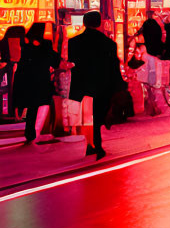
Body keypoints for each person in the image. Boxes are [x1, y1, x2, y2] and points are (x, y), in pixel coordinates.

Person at [67, 12, 123, 160]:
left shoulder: (73, 42)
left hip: (82, 84)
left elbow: (71, 64)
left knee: (86, 116)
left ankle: (90, 144)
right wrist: (119, 85)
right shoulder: (109, 44)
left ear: (84, 23)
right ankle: (95, 144)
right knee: (97, 115)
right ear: (99, 23)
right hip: (102, 84)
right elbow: (114, 67)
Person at [12, 22, 61, 145]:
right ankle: (34, 130)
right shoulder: (45, 45)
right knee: (36, 105)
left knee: (28, 102)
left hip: (24, 78)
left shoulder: (23, 43)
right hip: (39, 79)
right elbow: (55, 61)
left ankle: (28, 128)